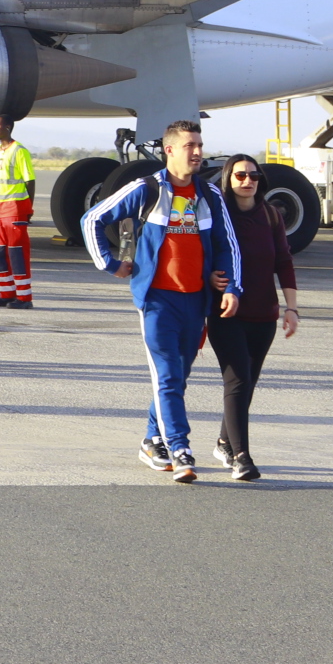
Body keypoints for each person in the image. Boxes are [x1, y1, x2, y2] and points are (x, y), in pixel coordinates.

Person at [80, 120, 244, 484]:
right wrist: (109, 263)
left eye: (199, 145)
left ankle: (152, 440)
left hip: (195, 302)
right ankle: (180, 449)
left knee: (178, 377)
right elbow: (92, 219)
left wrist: (231, 287)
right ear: (169, 150)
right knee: (167, 376)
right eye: (190, 146)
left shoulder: (210, 195)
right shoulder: (147, 189)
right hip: (157, 301)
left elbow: (227, 244)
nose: (198, 152)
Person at [206, 154, 299, 482]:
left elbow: (283, 261)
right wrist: (208, 276)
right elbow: (201, 252)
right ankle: (241, 457)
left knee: (247, 383)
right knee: (238, 381)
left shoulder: (270, 215)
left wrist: (291, 308)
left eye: (254, 175)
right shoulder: (217, 214)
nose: (248, 181)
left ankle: (224, 443)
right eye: (240, 175)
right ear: (228, 179)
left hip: (264, 314)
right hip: (227, 312)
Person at [0, 114, 37, 309]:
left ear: (7, 127)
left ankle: (24, 298)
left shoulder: (19, 151)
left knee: (17, 254)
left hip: (14, 210)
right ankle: (6, 294)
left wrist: (28, 208)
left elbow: (29, 181)